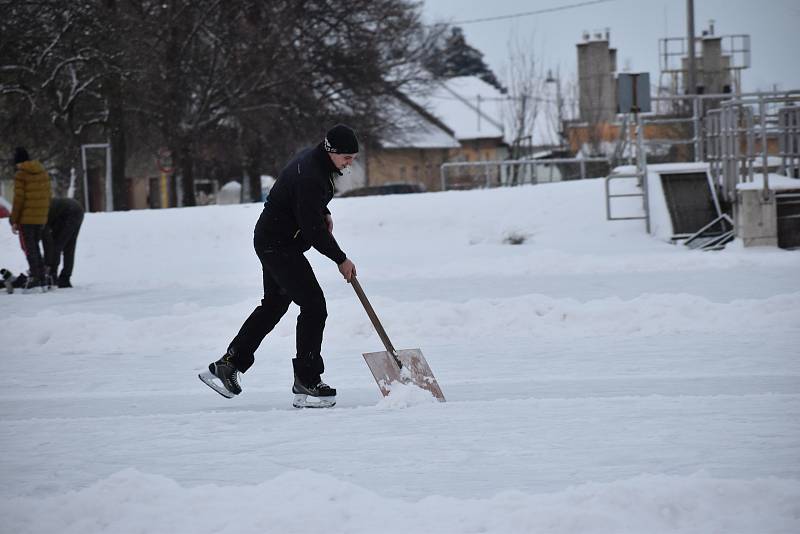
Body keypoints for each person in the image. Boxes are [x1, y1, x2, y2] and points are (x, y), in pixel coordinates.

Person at [199, 124, 359, 408]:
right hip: (279, 245)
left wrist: (324, 211)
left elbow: (302, 202)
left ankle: (228, 365)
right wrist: (340, 259)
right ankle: (307, 382)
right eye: (347, 157)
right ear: (331, 151)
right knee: (313, 306)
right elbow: (313, 230)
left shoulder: (314, 164)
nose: (350, 163)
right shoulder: (311, 173)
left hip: (274, 240)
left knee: (274, 305)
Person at [9, 147, 51, 291]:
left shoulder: (21, 174)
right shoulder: (42, 172)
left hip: (27, 218)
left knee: (29, 248)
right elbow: (47, 195)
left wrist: (14, 219)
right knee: (35, 247)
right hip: (40, 217)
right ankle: (42, 278)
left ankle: (35, 278)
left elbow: (19, 199)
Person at [43, 197, 85, 288]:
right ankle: (65, 277)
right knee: (69, 246)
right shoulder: (41, 208)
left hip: (69, 212)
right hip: (77, 209)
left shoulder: (39, 217)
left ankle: (53, 276)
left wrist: (48, 266)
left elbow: (49, 245)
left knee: (57, 245)